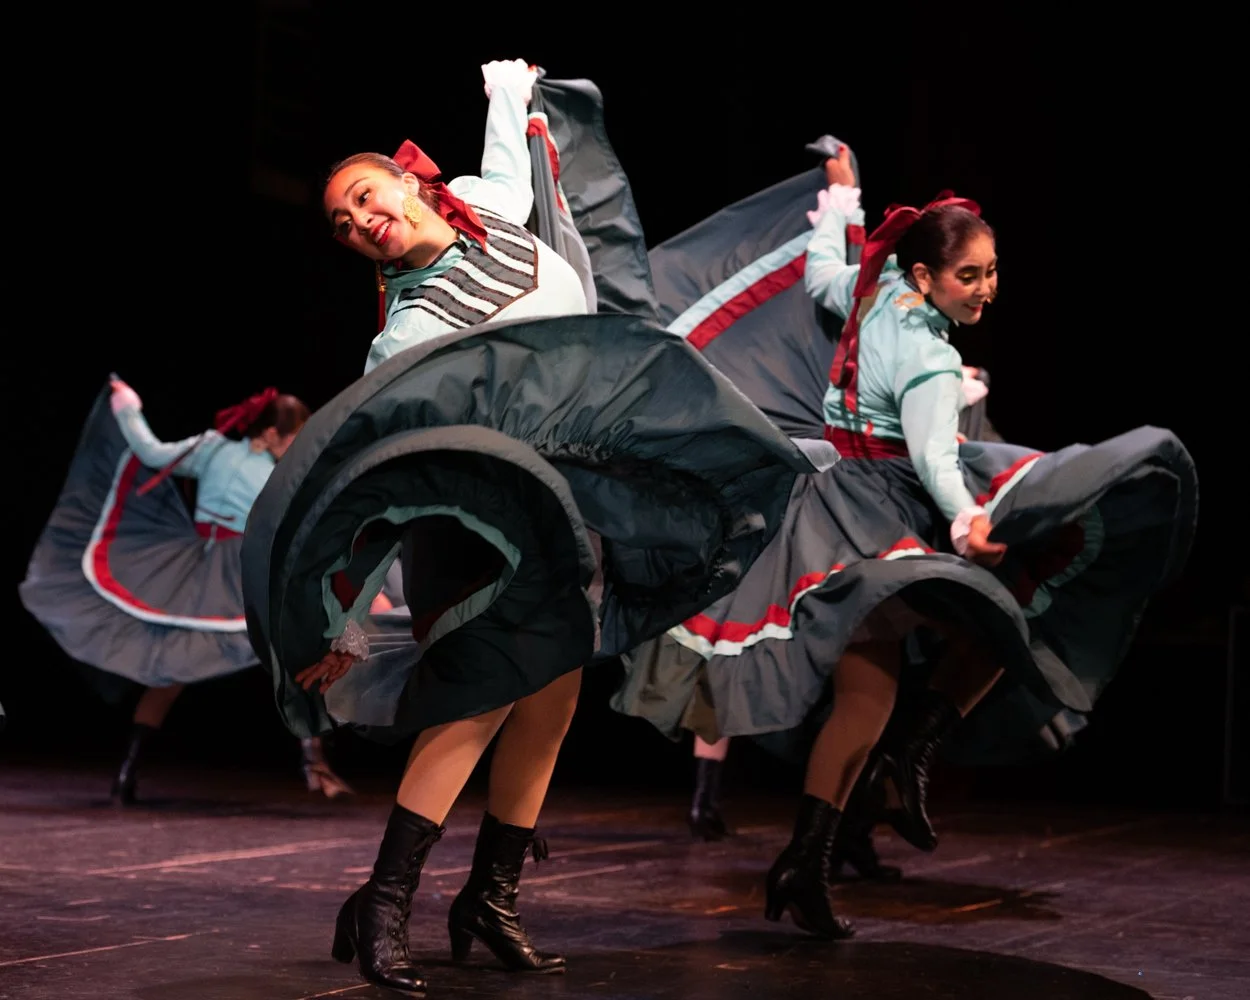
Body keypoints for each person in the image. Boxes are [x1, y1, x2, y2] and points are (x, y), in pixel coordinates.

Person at [241, 60, 836, 996]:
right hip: (478, 531)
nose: (359, 224)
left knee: (552, 701)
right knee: (482, 697)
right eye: (342, 226)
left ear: (408, 181)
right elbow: (378, 478)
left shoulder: (483, 210)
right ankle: (384, 904)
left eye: (364, 197)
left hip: (563, 503)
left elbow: (508, 175)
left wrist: (505, 91)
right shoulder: (405, 335)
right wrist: (347, 620)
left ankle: (491, 897)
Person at [617, 144, 1198, 940]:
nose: (988, 288)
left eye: (993, 271)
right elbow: (932, 456)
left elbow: (826, 269)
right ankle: (910, 754)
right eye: (972, 276)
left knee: (865, 697)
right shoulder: (929, 356)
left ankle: (810, 856)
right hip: (886, 509)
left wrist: (843, 199)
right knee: (1002, 626)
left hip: (832, 502)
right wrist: (969, 523)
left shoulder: (871, 291)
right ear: (926, 277)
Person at [18, 377, 355, 802]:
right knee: (247, 662)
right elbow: (153, 455)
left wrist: (128, 408)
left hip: (212, 568)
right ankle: (130, 772)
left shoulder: (227, 453)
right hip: (228, 569)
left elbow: (152, 451)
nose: (296, 448)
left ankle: (313, 766)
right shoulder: (254, 465)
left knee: (220, 667)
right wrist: (126, 406)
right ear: (270, 433)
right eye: (293, 439)